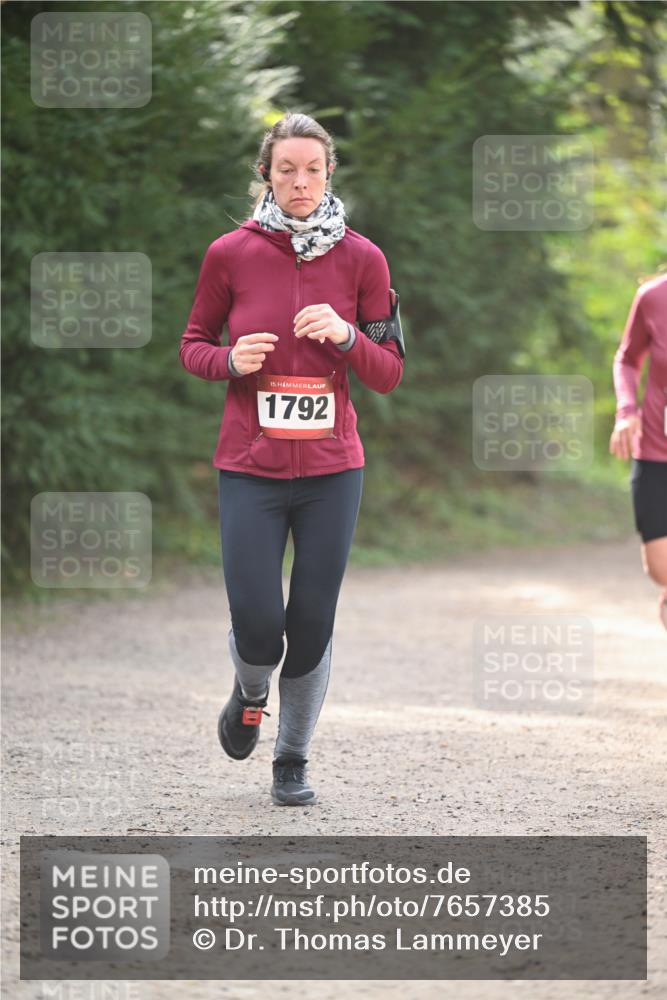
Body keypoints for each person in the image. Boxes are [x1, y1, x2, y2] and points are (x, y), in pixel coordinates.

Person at [179, 112, 405, 805]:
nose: (300, 181)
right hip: (250, 467)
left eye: (312, 169)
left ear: (328, 172)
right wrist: (227, 358)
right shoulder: (230, 253)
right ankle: (249, 695)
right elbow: (192, 342)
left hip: (332, 472)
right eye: (286, 170)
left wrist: (344, 335)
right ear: (266, 176)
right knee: (257, 622)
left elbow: (389, 371)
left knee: (310, 620)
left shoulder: (363, 258)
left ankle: (292, 758)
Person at [609, 271, 667, 631]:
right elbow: (628, 360)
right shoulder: (653, 296)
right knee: (661, 569)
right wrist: (626, 412)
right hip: (656, 452)